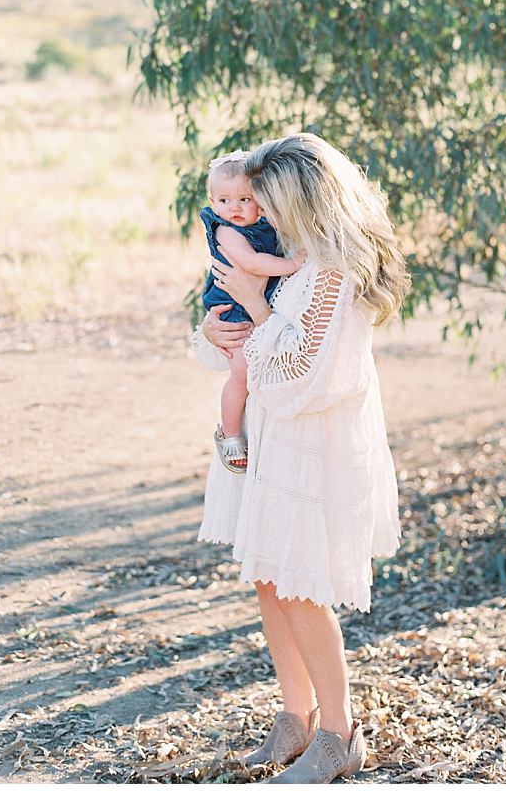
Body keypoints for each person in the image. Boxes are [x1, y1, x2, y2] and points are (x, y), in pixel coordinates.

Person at [191, 132, 408, 784]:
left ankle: (339, 732)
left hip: (310, 442)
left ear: (308, 197)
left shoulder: (336, 268)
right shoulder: (290, 250)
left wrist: (257, 307)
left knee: (299, 585)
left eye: (273, 201)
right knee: (268, 576)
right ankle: (296, 714)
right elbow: (246, 342)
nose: (264, 214)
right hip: (269, 437)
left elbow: (302, 373)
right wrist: (212, 332)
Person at [200, 150, 307, 473]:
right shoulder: (227, 231)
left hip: (251, 305)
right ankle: (230, 432)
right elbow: (250, 263)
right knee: (242, 372)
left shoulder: (264, 226)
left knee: (249, 369)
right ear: (212, 201)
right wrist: (290, 265)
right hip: (233, 308)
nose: (234, 208)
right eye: (224, 200)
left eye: (244, 199)